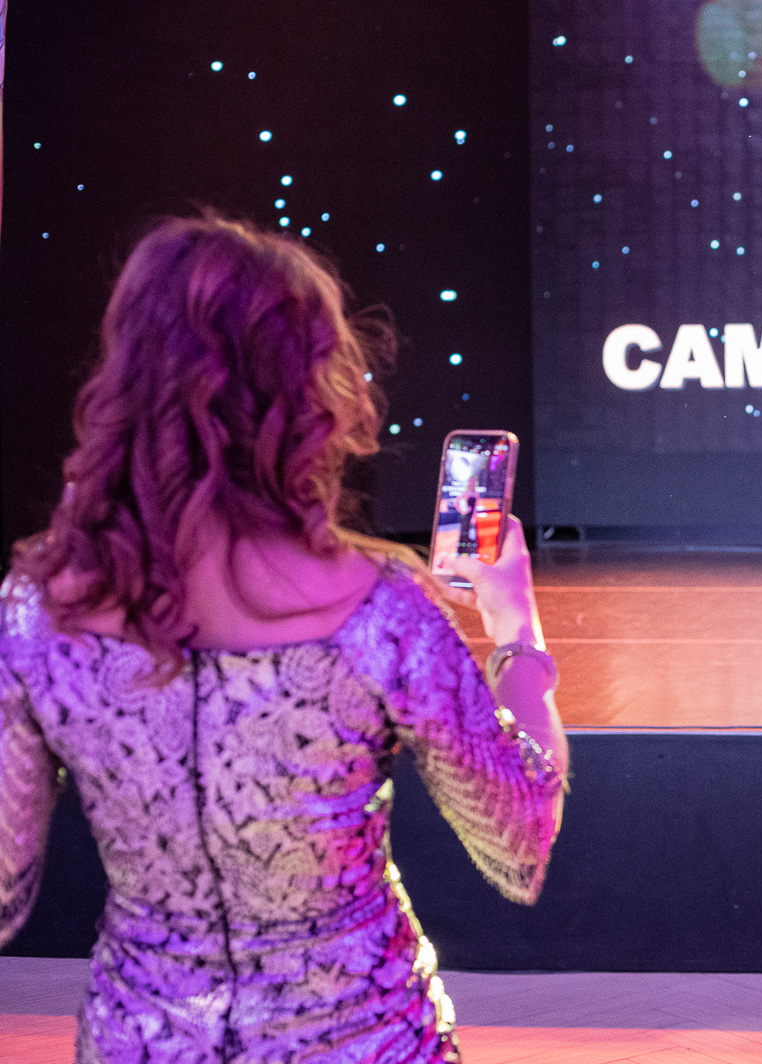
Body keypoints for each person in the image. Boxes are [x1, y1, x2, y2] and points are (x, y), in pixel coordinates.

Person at [0, 214, 567, 1062]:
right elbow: (518, 846)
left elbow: (3, 892)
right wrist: (516, 633)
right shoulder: (382, 613)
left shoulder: (37, 612)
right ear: (310, 389)